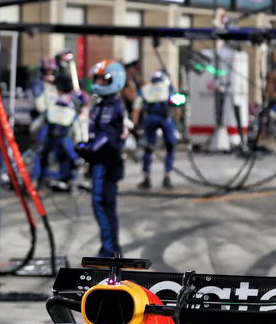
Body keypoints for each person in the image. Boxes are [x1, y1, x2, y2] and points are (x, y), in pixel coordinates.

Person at [77, 60, 127, 258]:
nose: (98, 82)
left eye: (103, 79)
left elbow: (105, 137)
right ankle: (110, 247)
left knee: (102, 204)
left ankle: (109, 249)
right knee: (104, 206)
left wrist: (87, 150)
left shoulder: (111, 106)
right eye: (97, 78)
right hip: (102, 162)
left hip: (106, 163)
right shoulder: (102, 104)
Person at [132, 69, 176, 190]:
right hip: (166, 118)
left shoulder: (145, 89)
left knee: (148, 147)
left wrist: (135, 124)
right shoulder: (167, 87)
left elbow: (137, 107)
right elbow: (176, 104)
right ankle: (167, 176)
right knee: (170, 146)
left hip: (150, 118)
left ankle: (147, 178)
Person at [33, 93, 78, 192]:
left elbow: (35, 126)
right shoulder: (72, 112)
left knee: (41, 158)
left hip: (49, 139)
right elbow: (77, 131)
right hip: (64, 140)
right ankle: (71, 181)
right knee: (73, 159)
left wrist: (35, 138)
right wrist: (79, 143)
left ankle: (38, 180)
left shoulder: (49, 109)